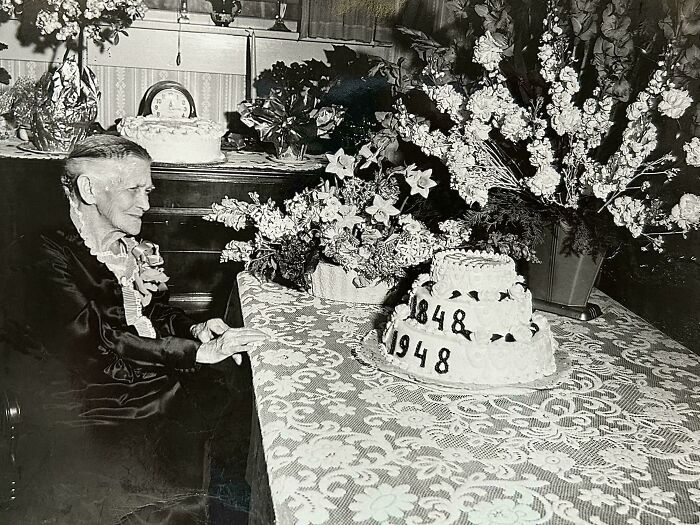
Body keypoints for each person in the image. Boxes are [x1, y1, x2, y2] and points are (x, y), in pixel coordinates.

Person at [28, 133, 267, 425]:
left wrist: (192, 329)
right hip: (84, 400)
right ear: (88, 189)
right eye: (134, 190)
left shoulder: (125, 242)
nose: (146, 204)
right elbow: (95, 345)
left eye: (148, 190)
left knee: (237, 393)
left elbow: (146, 312)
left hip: (129, 374)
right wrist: (197, 353)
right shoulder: (43, 254)